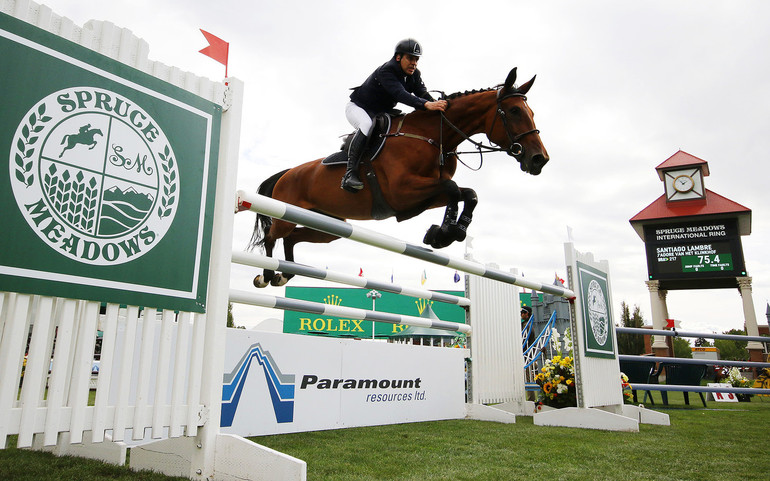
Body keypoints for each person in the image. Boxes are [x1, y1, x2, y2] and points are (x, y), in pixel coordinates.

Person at [341, 38, 448, 192]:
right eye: (410, 58)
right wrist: (426, 105)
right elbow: (400, 94)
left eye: (416, 59)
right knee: (366, 125)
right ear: (398, 57)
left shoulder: (414, 74)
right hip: (358, 108)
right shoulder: (387, 71)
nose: (414, 63)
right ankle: (349, 174)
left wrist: (437, 104)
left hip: (379, 112)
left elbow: (422, 93)